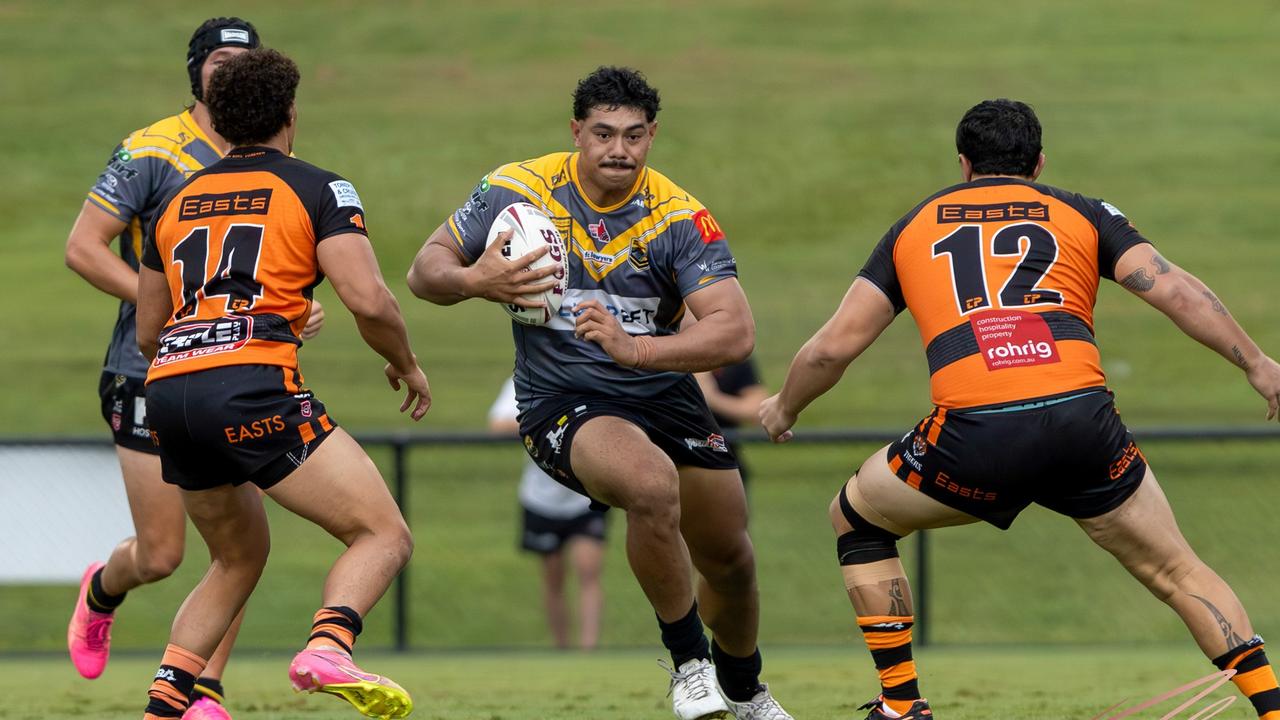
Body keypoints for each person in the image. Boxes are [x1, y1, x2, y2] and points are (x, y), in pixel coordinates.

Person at [759, 99, 1280, 720]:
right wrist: (1257, 364)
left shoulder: (915, 226)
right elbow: (1173, 288)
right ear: (1038, 162)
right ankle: (1272, 707)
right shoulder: (1080, 211)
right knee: (1175, 569)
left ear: (962, 163)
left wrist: (784, 407)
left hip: (976, 435)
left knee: (858, 519)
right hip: (1084, 425)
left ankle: (902, 704)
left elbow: (832, 349)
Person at [408, 66, 792, 720]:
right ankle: (689, 663)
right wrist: (480, 281)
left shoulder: (677, 215)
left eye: (635, 136)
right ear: (576, 132)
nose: (620, 149)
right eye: (604, 133)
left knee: (731, 555)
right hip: (563, 400)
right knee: (649, 485)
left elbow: (734, 332)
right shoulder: (516, 189)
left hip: (661, 391)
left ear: (652, 137)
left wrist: (637, 349)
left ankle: (747, 691)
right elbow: (425, 271)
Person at [133, 48, 429, 720]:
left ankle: (166, 705)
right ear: (290, 114)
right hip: (249, 388)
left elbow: (149, 328)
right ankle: (329, 644)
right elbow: (370, 300)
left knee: (237, 557)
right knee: (383, 534)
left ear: (221, 121)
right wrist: (405, 362)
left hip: (170, 393)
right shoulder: (318, 188)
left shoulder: (175, 201)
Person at [62, 18, 324, 720]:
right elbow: (84, 248)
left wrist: (293, 311)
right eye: (217, 59)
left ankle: (205, 688)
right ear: (195, 71)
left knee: (234, 543)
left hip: (236, 374)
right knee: (161, 553)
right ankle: (102, 591)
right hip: (143, 367)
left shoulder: (267, 156)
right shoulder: (153, 149)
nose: (228, 69)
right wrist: (170, 301)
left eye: (242, 59)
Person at [489, 377, 608, 650]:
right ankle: (562, 647)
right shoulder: (526, 380)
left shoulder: (587, 377)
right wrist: (547, 421)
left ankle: (589, 649)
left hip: (585, 495)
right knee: (553, 578)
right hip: (541, 498)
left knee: (588, 570)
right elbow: (498, 424)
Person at [695, 359, 767, 484]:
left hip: (724, 462)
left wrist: (712, 398)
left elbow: (758, 411)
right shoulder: (659, 355)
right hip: (671, 460)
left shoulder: (732, 358)